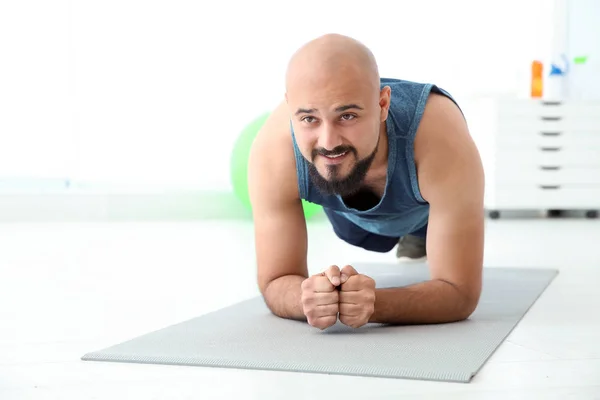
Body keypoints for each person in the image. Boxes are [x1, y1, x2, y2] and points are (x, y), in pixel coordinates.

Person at [247, 33, 485, 330]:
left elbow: (460, 293)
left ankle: (421, 235)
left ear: (383, 104)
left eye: (347, 115)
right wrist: (307, 299)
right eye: (309, 119)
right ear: (290, 107)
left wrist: (374, 304)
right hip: (351, 218)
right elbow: (275, 279)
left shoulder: (439, 137)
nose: (328, 141)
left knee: (428, 227)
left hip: (420, 209)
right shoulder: (274, 150)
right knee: (357, 226)